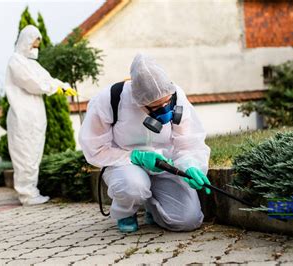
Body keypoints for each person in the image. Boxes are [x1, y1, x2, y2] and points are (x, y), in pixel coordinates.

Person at [79, 53, 211, 232]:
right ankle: (125, 212)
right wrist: (133, 156)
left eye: (167, 103)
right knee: (133, 186)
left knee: (188, 220)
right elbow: (95, 148)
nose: (164, 112)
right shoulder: (110, 99)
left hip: (166, 163)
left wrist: (191, 165)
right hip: (124, 166)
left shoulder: (177, 96)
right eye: (156, 108)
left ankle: (153, 208)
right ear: (138, 101)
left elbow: (188, 142)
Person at [5, 25, 77, 206]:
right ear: (26, 42)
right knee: (25, 155)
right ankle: (26, 195)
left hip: (35, 116)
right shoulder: (16, 61)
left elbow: (46, 79)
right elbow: (33, 83)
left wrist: (63, 85)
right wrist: (55, 88)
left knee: (34, 154)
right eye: (34, 44)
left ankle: (32, 191)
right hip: (22, 117)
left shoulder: (32, 64)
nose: (36, 48)